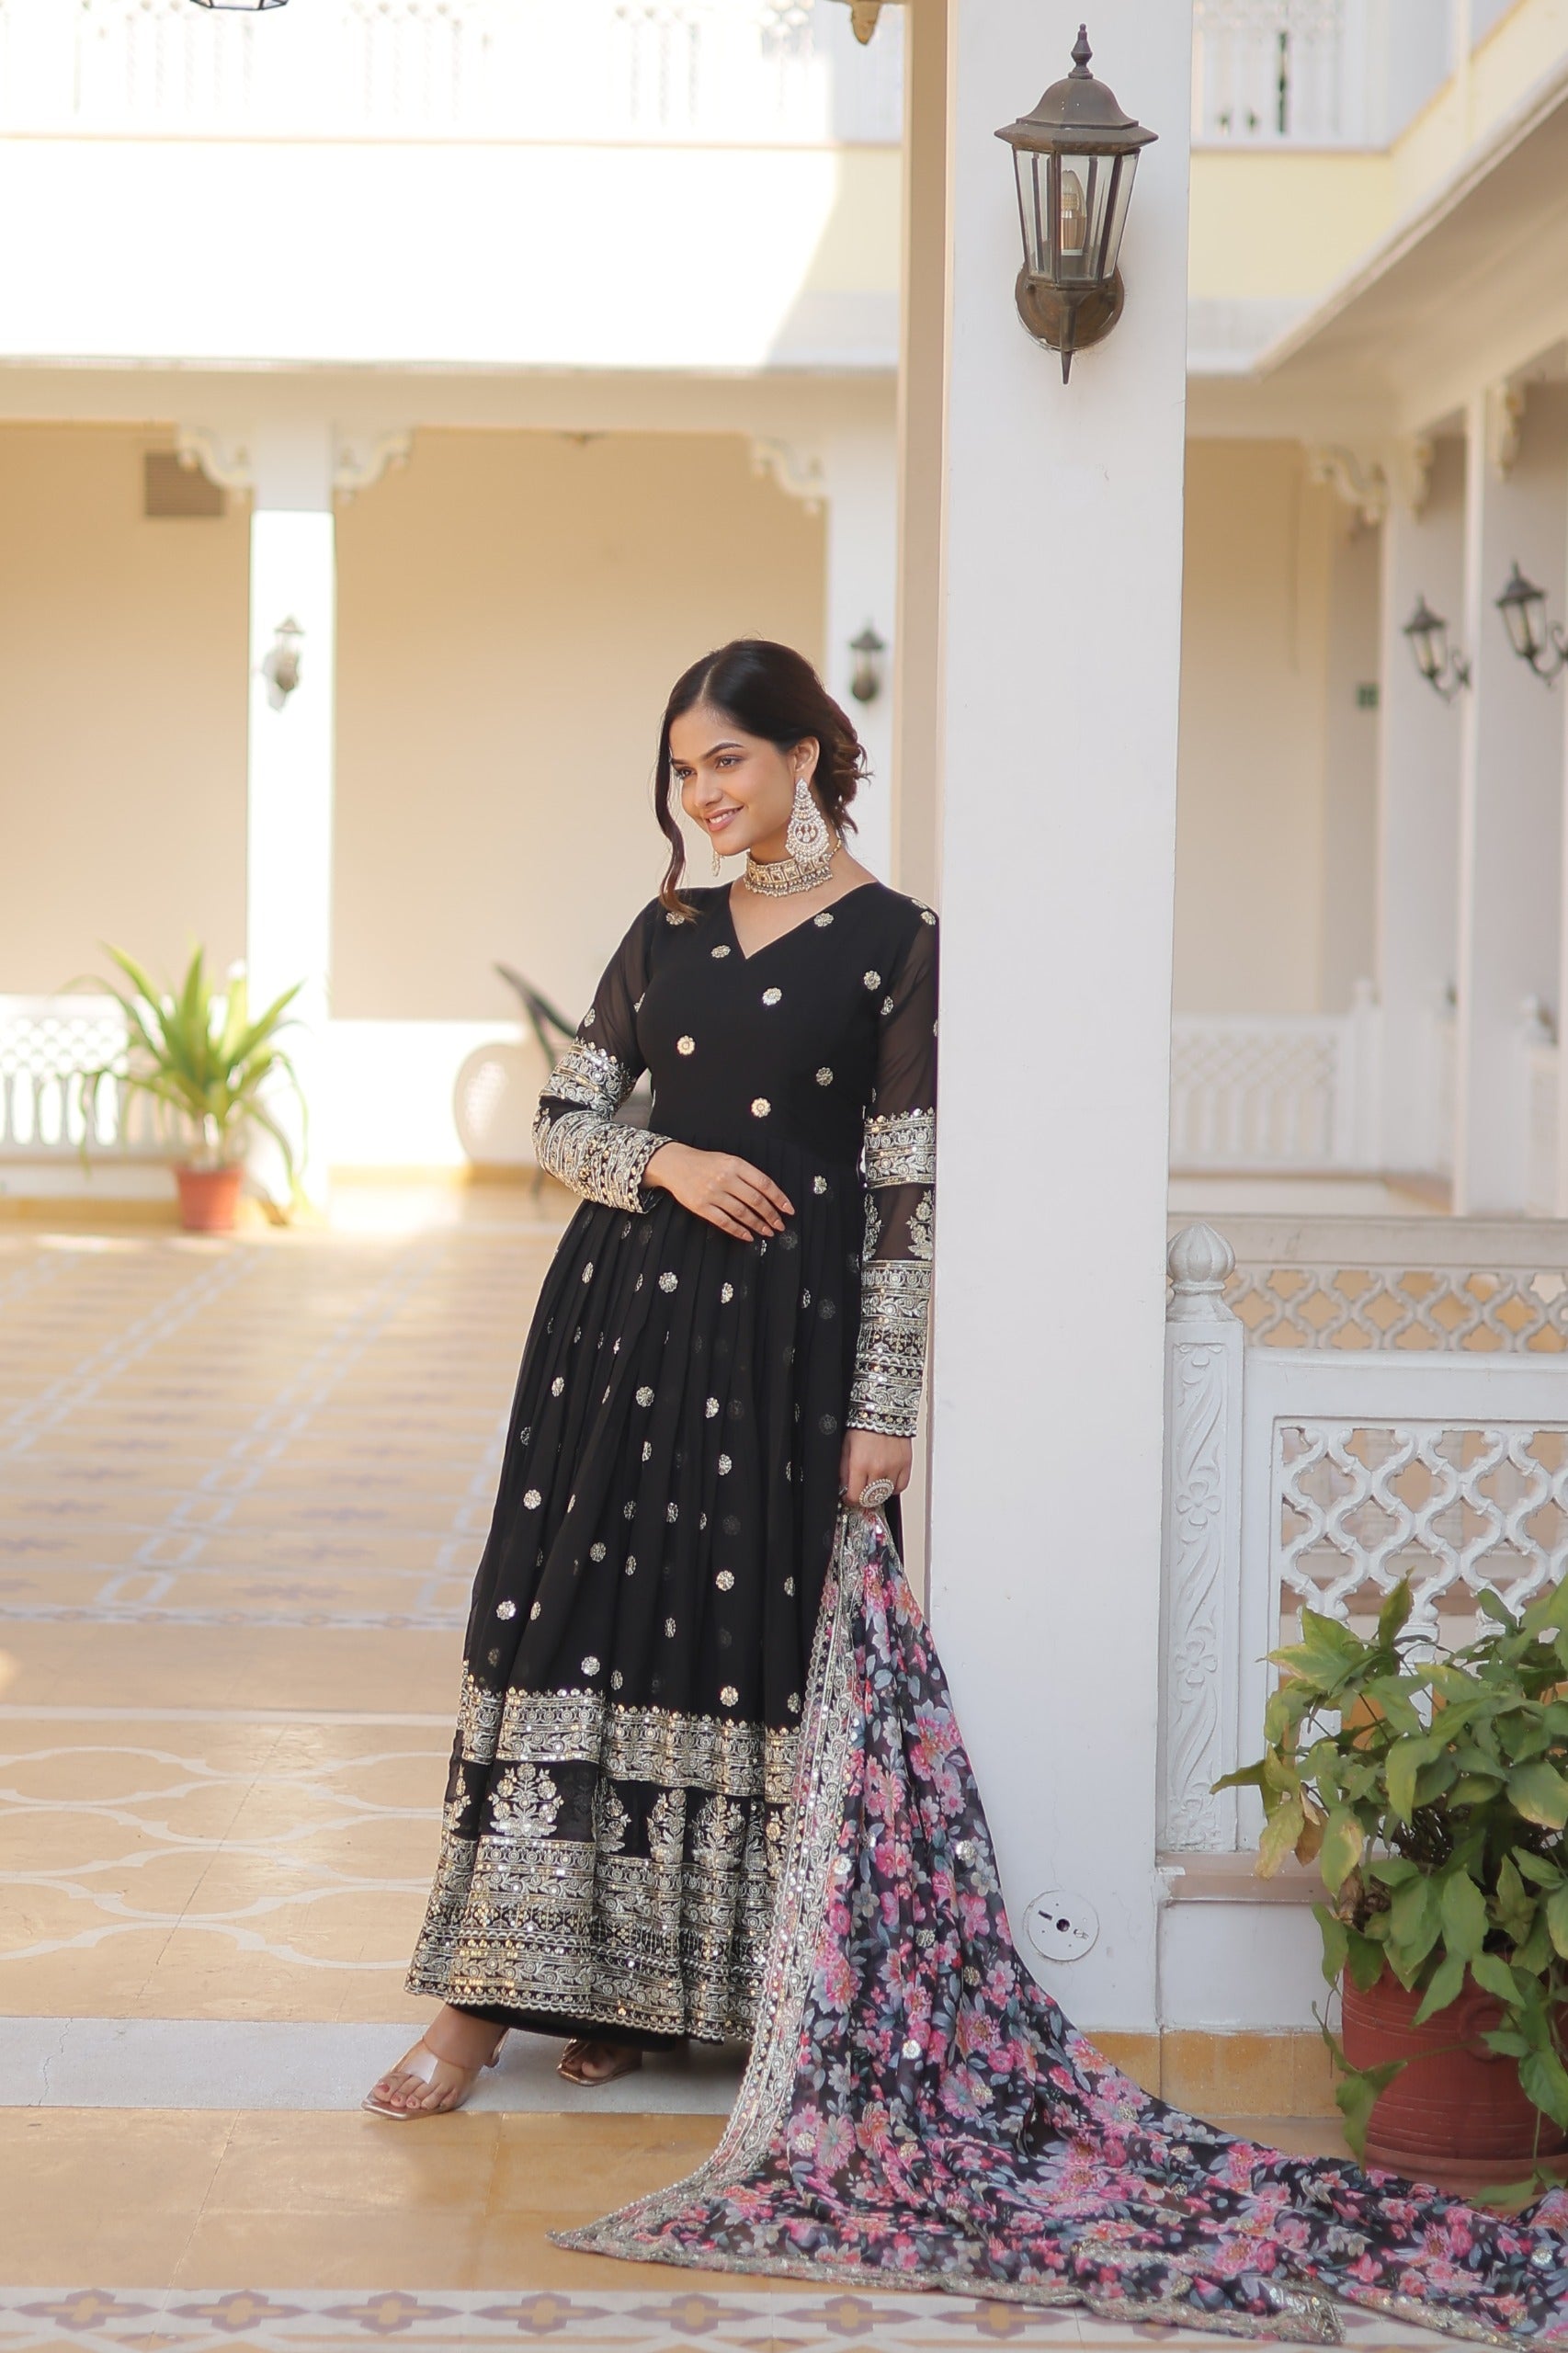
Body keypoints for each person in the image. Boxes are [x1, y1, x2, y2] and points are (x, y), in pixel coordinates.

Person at [365, 639, 937, 2114]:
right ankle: (482, 2009)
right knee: (569, 1630)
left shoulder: (896, 941)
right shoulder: (667, 925)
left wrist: (883, 1402)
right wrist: (665, 1159)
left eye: (724, 762)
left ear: (805, 754)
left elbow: (904, 1192)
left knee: (724, 1651)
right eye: (681, 772)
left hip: (785, 1351)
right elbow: (562, 1118)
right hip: (618, 1335)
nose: (699, 796)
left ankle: (663, 1996)